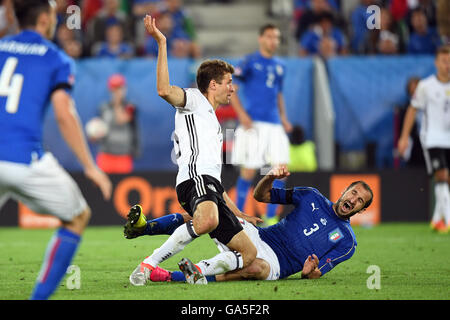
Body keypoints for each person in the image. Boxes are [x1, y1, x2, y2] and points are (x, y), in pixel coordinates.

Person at [126, 14, 259, 286]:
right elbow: (163, 89)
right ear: (213, 85)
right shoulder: (194, 100)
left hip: (209, 185)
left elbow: (217, 186)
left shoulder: (211, 118)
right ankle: (148, 264)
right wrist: (161, 43)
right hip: (194, 180)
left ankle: (193, 272)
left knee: (248, 253)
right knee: (207, 221)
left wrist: (239, 213)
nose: (232, 89)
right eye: (228, 83)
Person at [0, 0, 112, 300]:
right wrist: (90, 165)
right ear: (46, 19)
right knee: (77, 217)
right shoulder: (55, 58)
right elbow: (64, 113)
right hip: (25, 158)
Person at [125, 165, 373, 283]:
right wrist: (270, 178)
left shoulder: (348, 242)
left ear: (362, 209)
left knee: (255, 267)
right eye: (353, 193)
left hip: (277, 265)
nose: (353, 199)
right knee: (205, 214)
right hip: (260, 237)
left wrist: (311, 271)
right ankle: (145, 228)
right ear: (345, 190)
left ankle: (172, 276)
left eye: (360, 200)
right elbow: (262, 196)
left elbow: (320, 272)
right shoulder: (312, 195)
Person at [230, 23, 292, 226]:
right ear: (261, 38)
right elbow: (233, 89)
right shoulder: (248, 62)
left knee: (280, 170)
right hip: (253, 124)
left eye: (276, 37)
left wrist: (283, 117)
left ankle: (271, 217)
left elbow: (279, 94)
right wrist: (242, 115)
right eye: (269, 36)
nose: (273, 41)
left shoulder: (280, 66)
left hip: (274, 125)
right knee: (248, 170)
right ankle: (238, 216)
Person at [398, 45, 450, 233]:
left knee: (446, 179)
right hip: (432, 138)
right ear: (437, 63)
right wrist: (404, 137)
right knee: (442, 175)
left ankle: (437, 219)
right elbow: (412, 110)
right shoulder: (426, 86)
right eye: (444, 61)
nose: (447, 65)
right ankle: (448, 220)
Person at [87, 73, 139, 174]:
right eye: (115, 88)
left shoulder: (130, 106)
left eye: (120, 88)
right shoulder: (103, 108)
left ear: (125, 89)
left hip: (123, 156)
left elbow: (121, 119)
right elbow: (101, 128)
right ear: (110, 90)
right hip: (106, 155)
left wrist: (117, 103)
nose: (117, 92)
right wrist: (95, 135)